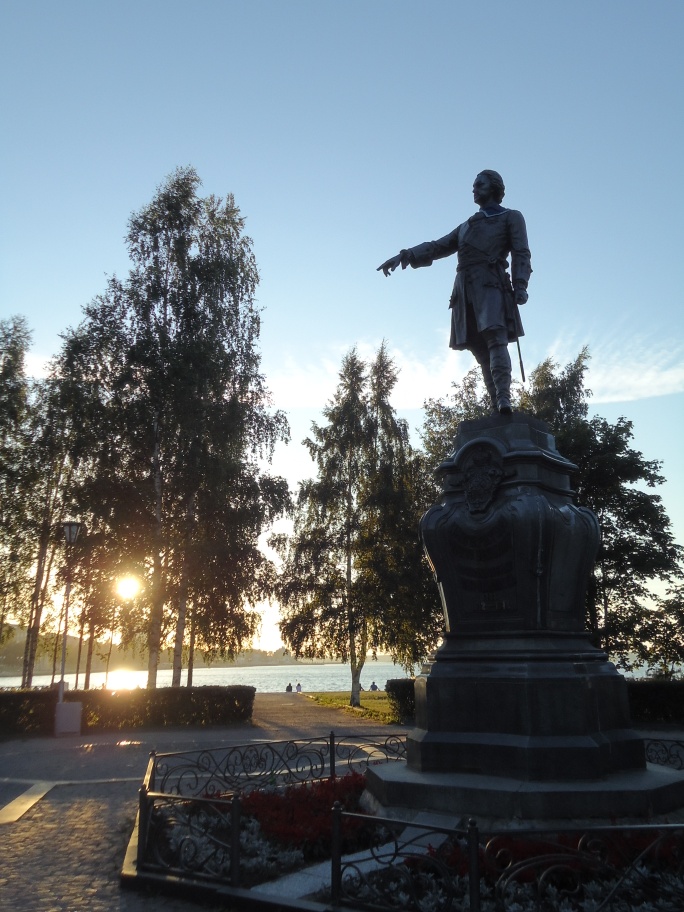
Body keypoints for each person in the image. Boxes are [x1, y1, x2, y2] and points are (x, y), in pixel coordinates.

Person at [378, 170, 531, 415]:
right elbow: (438, 246)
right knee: (480, 350)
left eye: (479, 184)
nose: (474, 189)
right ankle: (496, 404)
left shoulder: (511, 217)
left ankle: (504, 399)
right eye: (473, 185)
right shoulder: (466, 226)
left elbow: (521, 252)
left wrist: (520, 285)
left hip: (491, 283)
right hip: (464, 290)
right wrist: (405, 254)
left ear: (494, 188)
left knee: (495, 339)